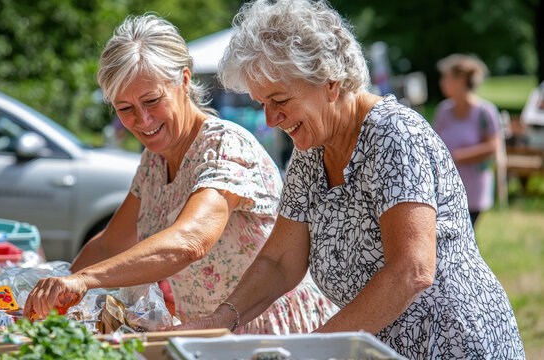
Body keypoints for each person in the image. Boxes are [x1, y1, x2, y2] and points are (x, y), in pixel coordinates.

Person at [175, 0, 525, 358]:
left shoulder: (392, 133)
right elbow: (280, 261)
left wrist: (311, 349)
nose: (270, 119)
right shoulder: (312, 149)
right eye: (261, 102)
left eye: (279, 99)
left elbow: (411, 270)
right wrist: (219, 320)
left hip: (452, 345)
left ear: (330, 83)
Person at [23, 14, 335, 334]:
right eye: (125, 108)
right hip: (207, 335)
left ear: (184, 81)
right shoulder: (154, 160)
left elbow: (189, 241)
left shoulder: (225, 146)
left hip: (268, 330)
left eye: (152, 100)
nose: (143, 120)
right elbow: (108, 245)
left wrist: (84, 280)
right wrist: (53, 296)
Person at [434, 54, 501, 227]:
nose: (442, 82)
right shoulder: (443, 111)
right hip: (446, 189)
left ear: (461, 80)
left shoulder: (485, 112)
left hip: (473, 190)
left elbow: (493, 147)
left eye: (446, 77)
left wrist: (455, 157)